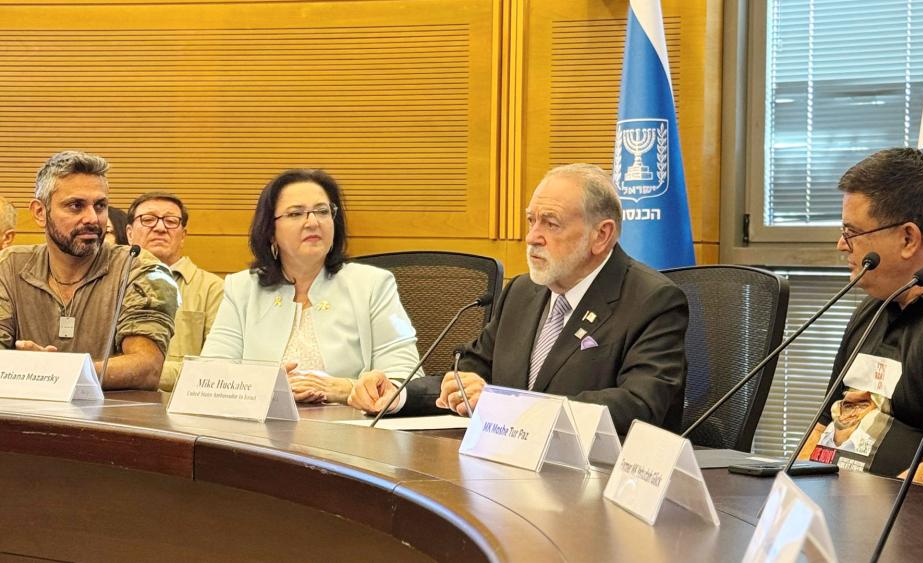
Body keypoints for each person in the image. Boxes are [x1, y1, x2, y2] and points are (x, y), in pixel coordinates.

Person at [349, 163, 688, 435]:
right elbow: (470, 374)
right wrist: (398, 395)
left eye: (550, 224)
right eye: (531, 220)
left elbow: (639, 406)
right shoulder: (524, 291)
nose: (531, 237)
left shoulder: (651, 300)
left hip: (597, 482)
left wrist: (509, 408)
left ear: (601, 235)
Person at [800, 147, 923, 481]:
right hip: (833, 509)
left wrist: (857, 520)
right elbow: (822, 427)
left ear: (908, 238)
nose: (841, 244)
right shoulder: (875, 305)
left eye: (852, 232)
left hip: (906, 525)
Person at [201, 169, 421, 403]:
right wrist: (266, 387)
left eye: (322, 211)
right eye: (296, 214)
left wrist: (347, 390)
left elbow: (407, 377)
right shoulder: (242, 288)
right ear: (270, 232)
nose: (313, 222)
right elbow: (209, 377)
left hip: (347, 430)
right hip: (258, 431)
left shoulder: (372, 285)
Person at [0, 151, 179, 389]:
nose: (93, 219)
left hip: (111, 421)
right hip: (23, 417)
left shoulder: (141, 269)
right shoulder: (9, 266)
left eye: (100, 205)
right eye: (76, 206)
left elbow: (147, 368)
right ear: (40, 212)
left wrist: (57, 373)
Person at [126, 192, 224, 392]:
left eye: (171, 221)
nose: (160, 228)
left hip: (180, 408)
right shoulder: (111, 284)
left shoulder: (213, 289)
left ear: (183, 236)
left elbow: (217, 368)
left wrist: (136, 372)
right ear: (129, 233)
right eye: (148, 220)